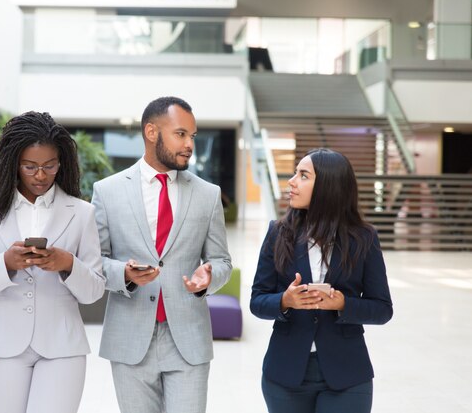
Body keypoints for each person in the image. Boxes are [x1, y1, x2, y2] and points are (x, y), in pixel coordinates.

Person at [0, 111, 105, 413]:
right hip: (1, 344)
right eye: (30, 166)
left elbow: (94, 291)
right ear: (14, 164)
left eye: (50, 166)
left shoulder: (82, 212)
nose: (41, 175)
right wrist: (6, 263)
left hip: (62, 346)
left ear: (61, 164)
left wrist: (67, 263)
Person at [92, 96, 232, 413]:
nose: (189, 145)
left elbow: (222, 261)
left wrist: (209, 276)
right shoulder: (107, 191)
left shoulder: (208, 194)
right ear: (152, 132)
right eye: (180, 134)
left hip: (187, 339)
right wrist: (124, 274)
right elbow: (94, 262)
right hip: (129, 337)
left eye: (192, 136)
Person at [250, 148, 393, 413]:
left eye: (303, 175)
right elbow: (257, 301)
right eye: (295, 173)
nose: (292, 181)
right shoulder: (278, 233)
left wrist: (342, 304)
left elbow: (383, 309)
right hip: (285, 374)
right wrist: (285, 300)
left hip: (347, 374)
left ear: (329, 186)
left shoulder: (364, 237)